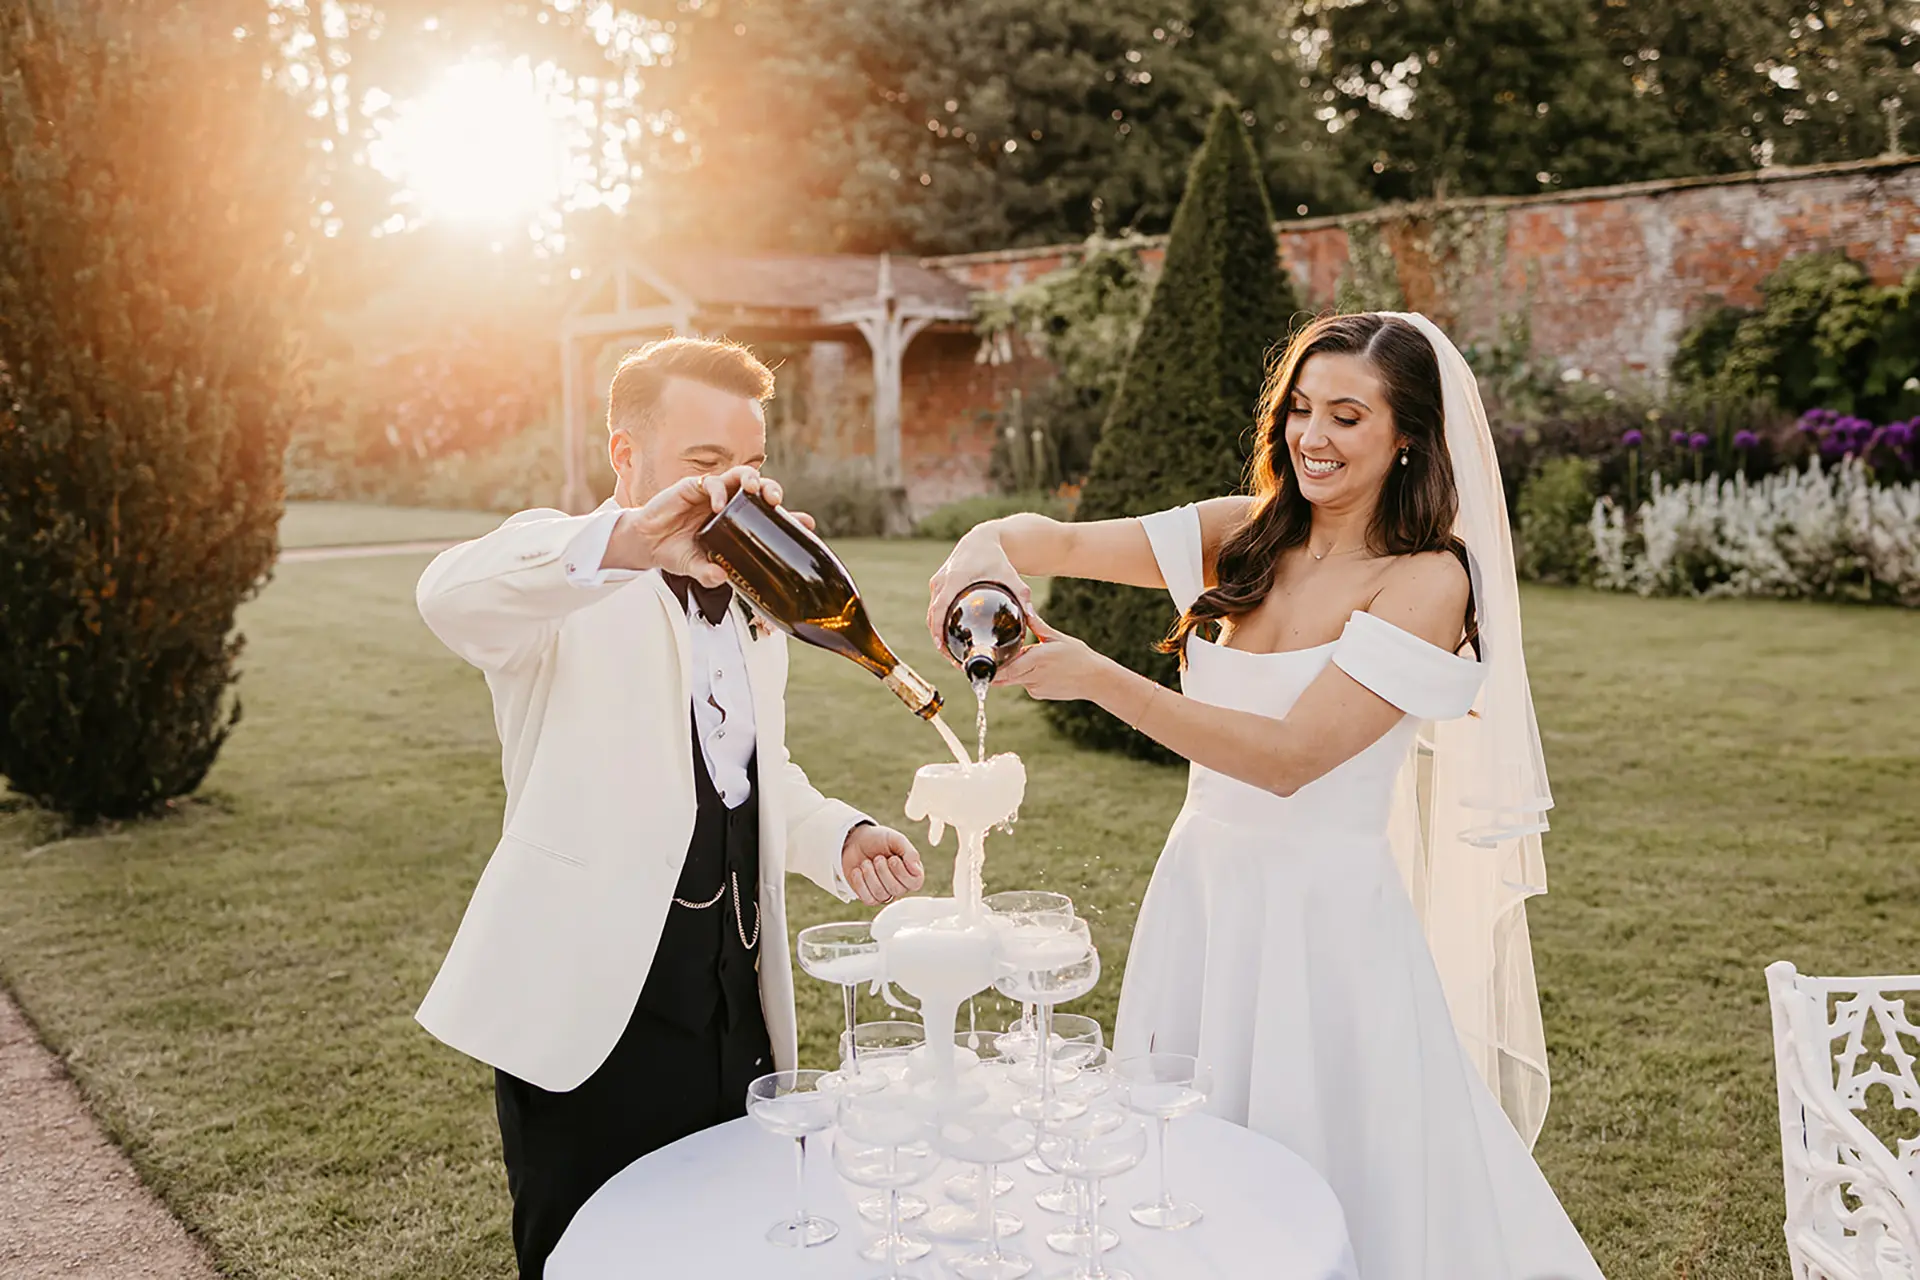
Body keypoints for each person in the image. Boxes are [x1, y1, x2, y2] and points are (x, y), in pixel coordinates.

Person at [927, 313, 1602, 1279]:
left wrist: (1100, 678)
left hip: (1324, 922)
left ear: (1407, 433)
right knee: (1181, 1162)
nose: (1311, 437)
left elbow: (1291, 759)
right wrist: (981, 553)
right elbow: (1051, 538)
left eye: (1347, 416)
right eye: (1298, 409)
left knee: (1326, 1162)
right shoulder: (1241, 536)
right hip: (1203, 892)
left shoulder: (1428, 579)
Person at [415, 337, 926, 1279]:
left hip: (737, 1006)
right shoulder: (563, 581)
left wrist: (839, 834)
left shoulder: (754, 605)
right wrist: (630, 543)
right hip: (592, 1015)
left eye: (751, 464)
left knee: (735, 1248)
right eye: (704, 464)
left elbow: (753, 769)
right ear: (626, 457)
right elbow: (447, 595)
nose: (733, 487)